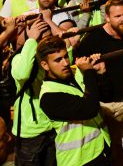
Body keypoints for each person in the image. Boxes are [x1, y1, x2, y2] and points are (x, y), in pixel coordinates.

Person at [74, 0, 123, 164]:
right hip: (104, 105)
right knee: (110, 147)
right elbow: (79, 66)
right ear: (107, 18)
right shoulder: (92, 40)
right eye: (118, 16)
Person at [37, 35, 110, 165]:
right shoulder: (49, 96)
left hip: (99, 150)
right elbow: (90, 109)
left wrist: (100, 73)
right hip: (78, 160)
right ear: (45, 65)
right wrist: (88, 72)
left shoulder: (74, 75)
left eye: (65, 56)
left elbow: (104, 96)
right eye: (58, 60)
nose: (65, 63)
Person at [10, 18, 55, 166]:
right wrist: (31, 40)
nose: (47, 44)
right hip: (30, 132)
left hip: (52, 126)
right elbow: (22, 74)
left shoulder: (52, 60)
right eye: (42, 39)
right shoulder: (20, 59)